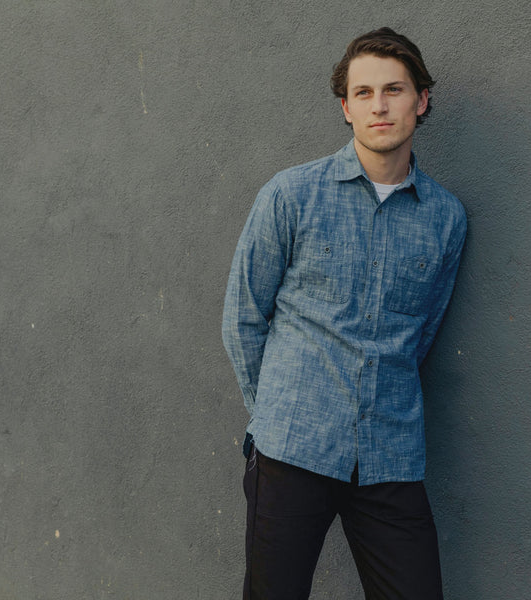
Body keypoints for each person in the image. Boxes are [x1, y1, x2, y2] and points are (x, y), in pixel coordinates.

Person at [222, 27, 467, 600]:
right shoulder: (290, 195)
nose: (379, 106)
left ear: (421, 100)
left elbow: (422, 330)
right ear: (346, 107)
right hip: (292, 449)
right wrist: (274, 416)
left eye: (394, 90)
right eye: (363, 93)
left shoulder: (445, 218)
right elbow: (243, 317)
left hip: (390, 454)